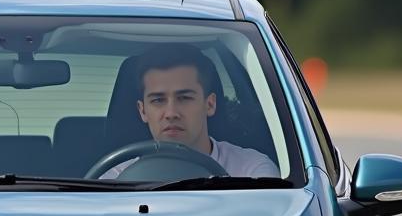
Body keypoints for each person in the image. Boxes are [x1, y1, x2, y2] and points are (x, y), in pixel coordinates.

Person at [101, 44, 279, 180]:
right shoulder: (115, 179)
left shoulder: (253, 173)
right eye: (158, 100)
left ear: (209, 104)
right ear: (143, 111)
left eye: (184, 98)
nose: (171, 113)